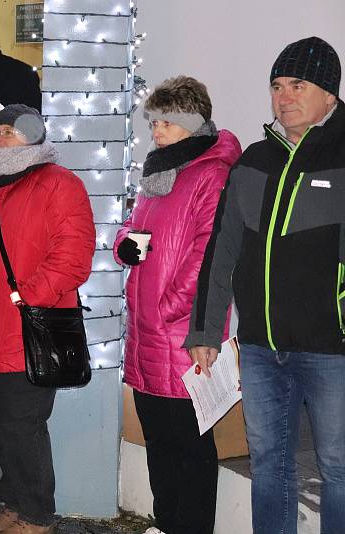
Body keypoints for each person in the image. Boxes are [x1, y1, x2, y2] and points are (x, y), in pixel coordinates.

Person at [185, 36, 345, 534]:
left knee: (339, 469)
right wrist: (206, 331)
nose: (284, 96)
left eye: (298, 84)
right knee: (269, 465)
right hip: (259, 348)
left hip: (331, 349)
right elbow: (222, 250)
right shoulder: (254, 159)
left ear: (329, 95)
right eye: (276, 86)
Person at [113, 76, 242, 534]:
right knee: (160, 443)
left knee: (190, 447)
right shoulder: (159, 170)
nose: (157, 131)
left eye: (166, 121)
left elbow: (210, 255)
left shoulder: (213, 174)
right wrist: (124, 244)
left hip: (183, 336)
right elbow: (130, 224)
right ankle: (168, 525)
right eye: (154, 121)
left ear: (191, 123)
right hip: (147, 331)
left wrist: (169, 307)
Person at [0, 105, 95, 534]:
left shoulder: (60, 184)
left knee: (24, 426)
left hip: (29, 327)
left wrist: (28, 295)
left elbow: (73, 255)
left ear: (33, 136)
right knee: (0, 425)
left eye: (9, 132)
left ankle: (38, 516)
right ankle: (14, 504)